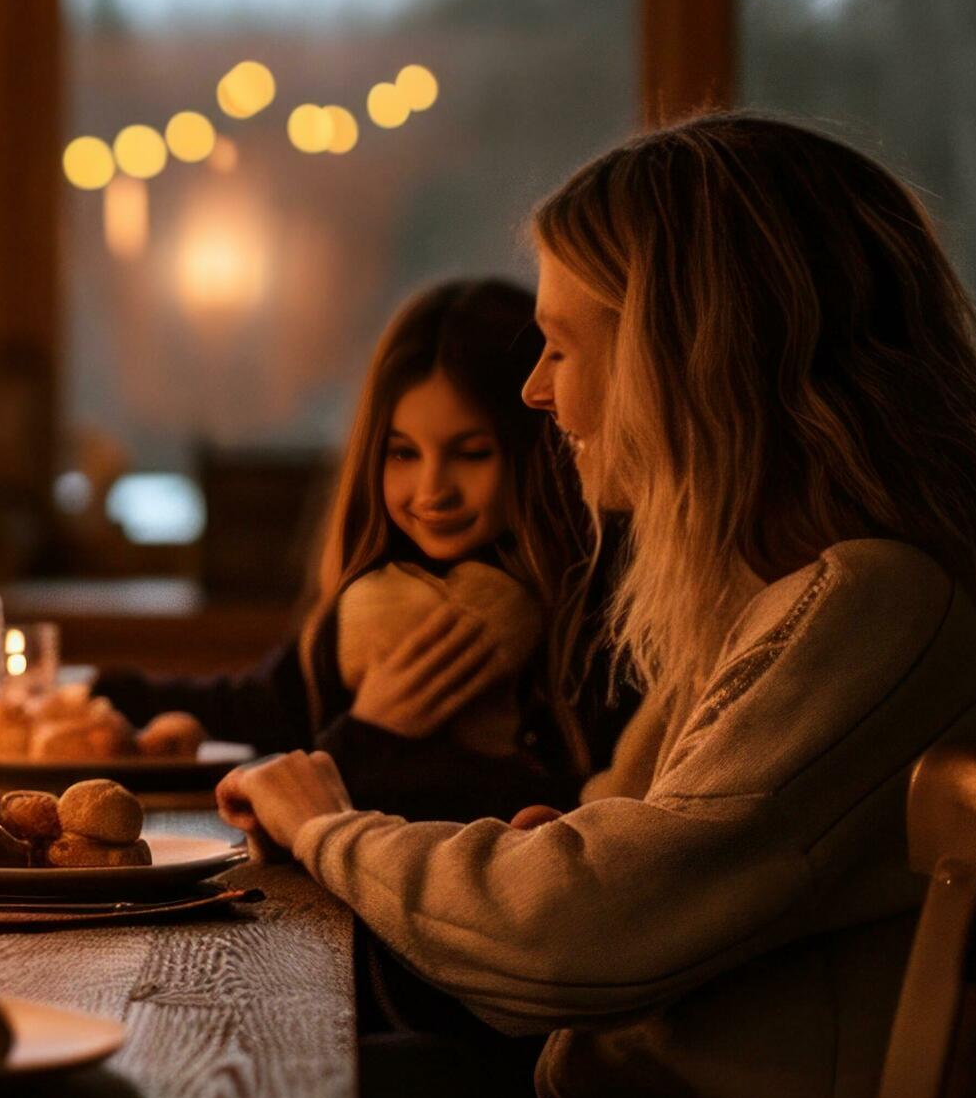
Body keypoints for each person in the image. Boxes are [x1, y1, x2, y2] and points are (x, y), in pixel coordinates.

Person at [221, 116, 976, 1098]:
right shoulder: (781, 599)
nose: (541, 392)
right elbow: (616, 850)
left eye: (567, 341)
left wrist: (325, 825)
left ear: (695, 351)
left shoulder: (870, 609)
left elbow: (574, 932)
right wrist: (579, 851)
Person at [94, 277, 628, 825]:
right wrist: (100, 691)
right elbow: (260, 707)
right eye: (403, 453)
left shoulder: (600, 619)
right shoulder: (375, 601)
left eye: (471, 453)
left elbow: (502, 816)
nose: (431, 490)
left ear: (541, 448)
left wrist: (371, 736)